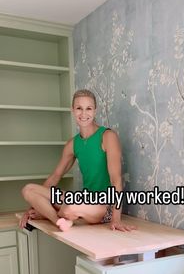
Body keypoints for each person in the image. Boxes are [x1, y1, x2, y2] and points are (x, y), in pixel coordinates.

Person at [20, 89, 135, 232]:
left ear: (95, 111)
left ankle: (49, 214)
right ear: (73, 110)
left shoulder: (107, 136)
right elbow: (55, 176)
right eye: (79, 108)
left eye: (89, 108)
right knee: (28, 189)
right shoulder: (72, 144)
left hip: (104, 206)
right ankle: (59, 221)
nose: (84, 113)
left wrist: (116, 219)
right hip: (83, 199)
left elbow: (115, 180)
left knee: (70, 207)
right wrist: (31, 208)